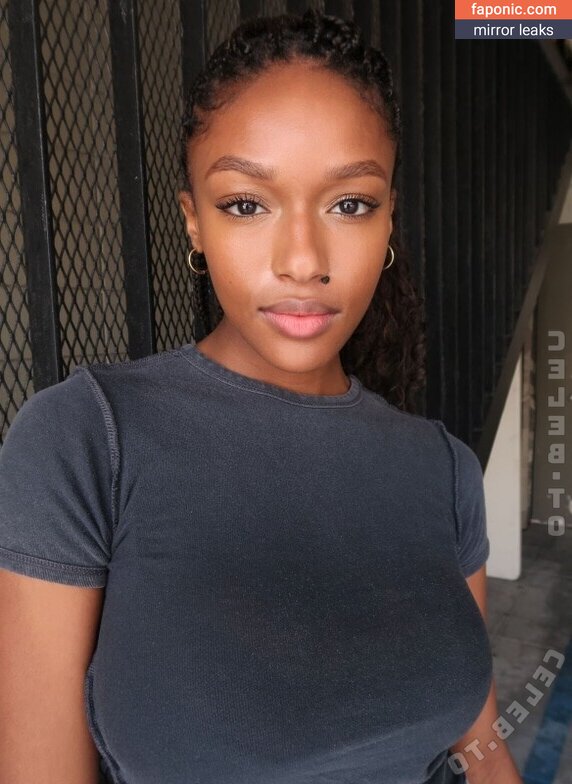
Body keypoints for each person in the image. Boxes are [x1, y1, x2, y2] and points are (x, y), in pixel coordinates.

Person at [0, 10, 523, 784]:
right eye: (246, 204)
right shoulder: (87, 441)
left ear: (388, 220)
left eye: (350, 204)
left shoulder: (441, 469)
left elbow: (479, 745)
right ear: (194, 224)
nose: (302, 260)